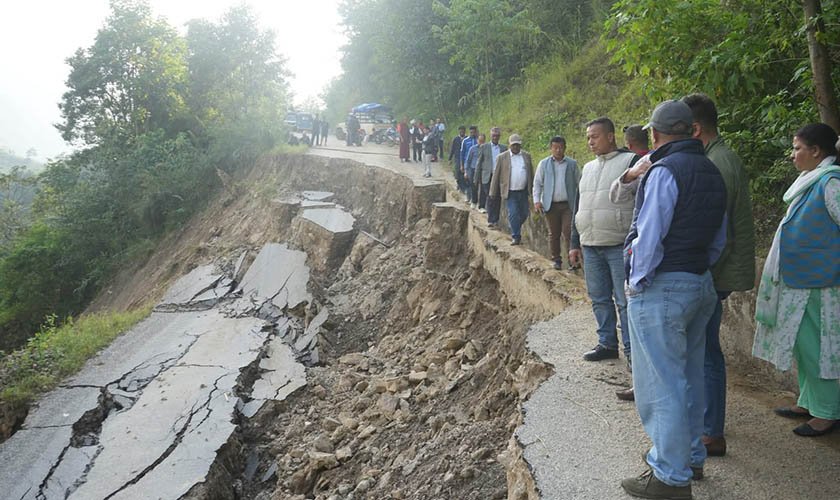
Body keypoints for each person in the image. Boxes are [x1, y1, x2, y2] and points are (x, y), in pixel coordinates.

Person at [621, 100, 727, 500]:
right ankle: (690, 457)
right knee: (691, 376)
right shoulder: (712, 170)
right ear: (691, 129)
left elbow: (649, 236)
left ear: (654, 134)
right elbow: (719, 237)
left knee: (661, 383)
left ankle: (669, 475)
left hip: (663, 287)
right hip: (700, 282)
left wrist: (636, 283)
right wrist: (699, 269)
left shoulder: (665, 171)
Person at [753, 123, 840, 438]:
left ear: (816, 151)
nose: (793, 155)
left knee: (819, 347)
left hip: (821, 284)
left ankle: (827, 411)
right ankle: (809, 400)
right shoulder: (812, 180)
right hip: (802, 280)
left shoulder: (830, 183)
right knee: (804, 345)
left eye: (797, 148)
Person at [683, 93, 756, 455]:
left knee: (706, 351)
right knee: (704, 348)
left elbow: (718, 231)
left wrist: (698, 270)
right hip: (716, 269)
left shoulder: (718, 164)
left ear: (695, 129)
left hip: (715, 271)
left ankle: (711, 431)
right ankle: (708, 423)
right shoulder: (717, 157)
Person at [571, 117, 638, 364]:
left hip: (619, 244)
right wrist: (574, 242)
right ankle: (607, 343)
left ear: (610, 136)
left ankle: (632, 352)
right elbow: (579, 206)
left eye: (595, 136)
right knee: (599, 298)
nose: (590, 142)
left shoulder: (630, 162)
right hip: (590, 244)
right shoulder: (588, 168)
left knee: (624, 301)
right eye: (588, 137)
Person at [533, 136, 579, 270]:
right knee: (554, 233)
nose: (558, 150)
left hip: (568, 205)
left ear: (565, 148)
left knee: (568, 231)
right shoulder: (544, 164)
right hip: (550, 205)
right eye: (555, 148)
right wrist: (537, 201)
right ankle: (556, 260)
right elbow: (537, 183)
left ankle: (573, 262)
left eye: (561, 148)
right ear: (551, 148)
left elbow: (580, 183)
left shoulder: (572, 164)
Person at [489, 134, 533, 245]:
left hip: (523, 191)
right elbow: (496, 176)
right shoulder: (502, 157)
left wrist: (532, 190)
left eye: (518, 145)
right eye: (513, 145)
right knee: (513, 213)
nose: (516, 147)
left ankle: (513, 225)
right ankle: (516, 236)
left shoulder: (526, 156)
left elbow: (530, 174)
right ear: (509, 145)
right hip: (510, 192)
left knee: (524, 213)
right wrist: (492, 192)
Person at [475, 127, 507, 221]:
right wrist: (476, 178)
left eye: (497, 136)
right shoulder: (484, 147)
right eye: (493, 136)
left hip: (499, 177)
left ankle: (495, 219)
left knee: (497, 198)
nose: (495, 137)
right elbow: (479, 163)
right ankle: (491, 219)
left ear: (499, 136)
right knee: (490, 196)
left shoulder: (503, 148)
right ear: (490, 136)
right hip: (487, 176)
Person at [464, 133, 485, 208]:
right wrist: (466, 171)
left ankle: (482, 205)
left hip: (483, 170)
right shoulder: (472, 149)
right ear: (477, 140)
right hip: (473, 169)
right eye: (479, 140)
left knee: (483, 187)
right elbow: (468, 160)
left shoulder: (486, 149)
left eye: (482, 141)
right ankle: (474, 201)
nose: (481, 142)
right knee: (474, 186)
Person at [460, 126, 479, 197]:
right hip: (467, 164)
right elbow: (462, 153)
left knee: (476, 181)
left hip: (476, 164)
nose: (472, 134)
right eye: (471, 132)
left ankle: (474, 197)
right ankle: (468, 195)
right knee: (468, 180)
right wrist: (462, 165)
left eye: (474, 132)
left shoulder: (478, 140)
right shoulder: (465, 141)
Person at [449, 126, 467, 197]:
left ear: (465, 131)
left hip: (465, 159)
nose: (462, 132)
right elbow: (452, 149)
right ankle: (459, 184)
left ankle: (463, 187)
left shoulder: (467, 139)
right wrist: (450, 158)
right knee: (457, 173)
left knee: (463, 173)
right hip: (457, 158)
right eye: (460, 131)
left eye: (463, 130)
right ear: (459, 131)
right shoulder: (455, 139)